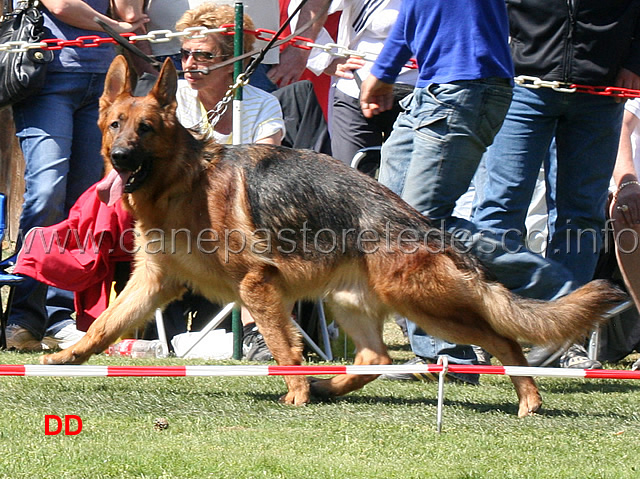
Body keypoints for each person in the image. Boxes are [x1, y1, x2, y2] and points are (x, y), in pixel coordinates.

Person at [471, 1, 640, 369]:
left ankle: (563, 336)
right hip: (522, 86)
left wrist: (635, 62)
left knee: (582, 217)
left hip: (601, 93)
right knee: (499, 210)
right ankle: (492, 327)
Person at [358, 0, 515, 384]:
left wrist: (383, 71)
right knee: (385, 226)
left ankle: (530, 276)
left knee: (421, 227)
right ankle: (437, 356)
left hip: (465, 87)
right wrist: (385, 72)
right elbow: (414, 12)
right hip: (431, 91)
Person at [6, 0, 149, 351]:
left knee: (85, 205)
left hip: (103, 79)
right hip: (48, 75)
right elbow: (62, 5)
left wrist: (127, 20)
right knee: (47, 191)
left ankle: (59, 315)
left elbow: (128, 12)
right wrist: (114, 27)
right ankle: (23, 316)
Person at [296, 0, 418, 166]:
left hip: (421, 94)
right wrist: (323, 58)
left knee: (409, 182)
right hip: (354, 91)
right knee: (351, 180)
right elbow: (304, 6)